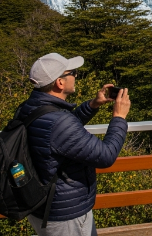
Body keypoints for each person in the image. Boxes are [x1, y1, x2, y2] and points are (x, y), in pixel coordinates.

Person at [21, 53, 130, 236]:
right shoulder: (58, 121)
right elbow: (105, 156)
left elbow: (63, 132)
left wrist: (93, 105)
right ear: (60, 83)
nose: (76, 76)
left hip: (44, 205)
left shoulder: (31, 107)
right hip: (65, 215)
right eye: (73, 72)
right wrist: (119, 117)